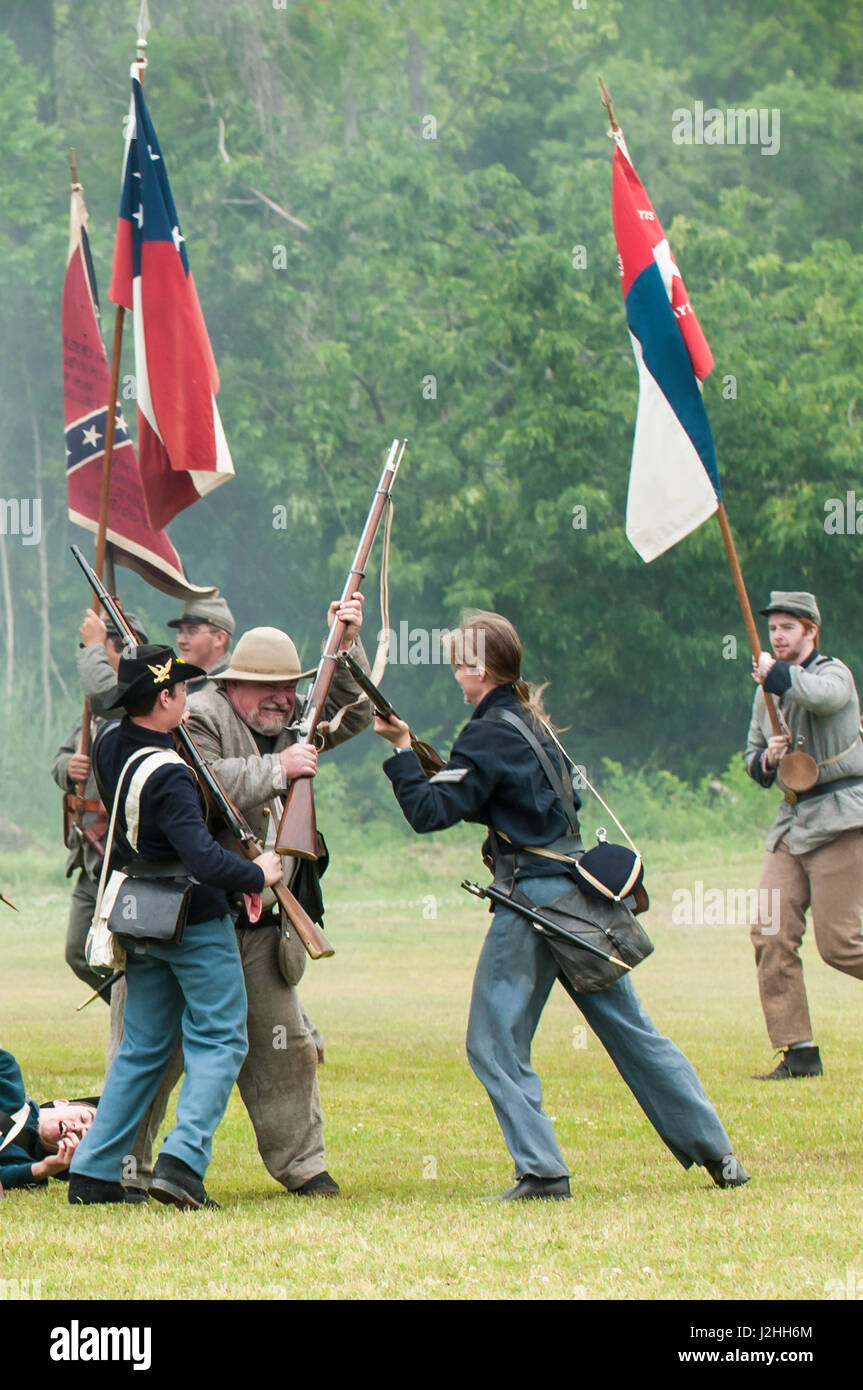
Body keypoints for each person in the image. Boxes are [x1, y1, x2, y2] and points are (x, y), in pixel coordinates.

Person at [375, 611, 749, 1200]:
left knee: (492, 1043)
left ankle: (543, 1171)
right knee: (633, 1031)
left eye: (458, 667)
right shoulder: (530, 724)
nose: (455, 677)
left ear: (480, 669)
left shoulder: (487, 732)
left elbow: (430, 814)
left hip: (531, 902)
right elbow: (494, 797)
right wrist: (426, 759)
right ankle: (719, 1154)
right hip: (576, 900)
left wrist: (400, 750)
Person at [120, 597, 372, 1199]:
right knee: (153, 1050)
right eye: (267, 687)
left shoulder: (287, 725)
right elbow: (205, 782)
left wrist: (348, 638)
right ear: (236, 684)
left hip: (259, 924)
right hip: (185, 915)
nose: (282, 698)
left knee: (284, 1047)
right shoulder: (195, 716)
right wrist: (282, 767)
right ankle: (124, 1167)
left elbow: (353, 711)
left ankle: (303, 1164)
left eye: (289, 688)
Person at [67, 644, 283, 1208]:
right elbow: (206, 862)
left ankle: (93, 1169)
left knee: (142, 1046)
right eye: (182, 691)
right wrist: (257, 872)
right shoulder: (171, 775)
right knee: (220, 1037)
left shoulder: (115, 746)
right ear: (164, 698)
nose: (189, 697)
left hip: (139, 913)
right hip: (194, 917)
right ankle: (183, 1162)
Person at [746, 590, 863, 1080]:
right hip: (792, 824)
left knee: (841, 945)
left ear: (811, 631)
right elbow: (752, 759)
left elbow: (823, 698)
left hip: (840, 820)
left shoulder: (832, 673)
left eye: (788, 627)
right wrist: (769, 758)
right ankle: (799, 1052)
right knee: (769, 931)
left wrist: (777, 674)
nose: (777, 635)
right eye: (772, 628)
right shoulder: (766, 690)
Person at [51, 613, 147, 998]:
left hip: (122, 853)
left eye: (99, 647)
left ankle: (144, 1023)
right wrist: (67, 767)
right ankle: (139, 1017)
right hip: (91, 851)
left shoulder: (136, 704)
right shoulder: (92, 710)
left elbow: (108, 697)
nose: (93, 656)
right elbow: (61, 757)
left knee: (131, 953)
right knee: (80, 952)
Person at [0, 1047, 97, 1191]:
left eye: (83, 1137)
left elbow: (6, 1177)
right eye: (83, 1118)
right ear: (61, 1102)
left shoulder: (29, 1174)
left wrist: (44, 1168)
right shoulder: (7, 1072)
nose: (77, 1128)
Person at [167, 592, 235, 692]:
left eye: (192, 631)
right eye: (180, 631)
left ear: (219, 638)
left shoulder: (228, 689)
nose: (181, 640)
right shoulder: (176, 679)